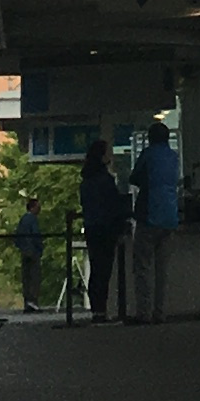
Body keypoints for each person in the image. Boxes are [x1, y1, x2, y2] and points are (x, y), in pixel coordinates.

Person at [133, 116, 183, 321]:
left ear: (150, 138)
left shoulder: (148, 154)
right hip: (170, 216)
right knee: (162, 270)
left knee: (143, 267)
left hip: (149, 215)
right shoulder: (174, 157)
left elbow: (134, 177)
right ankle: (160, 312)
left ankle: (144, 313)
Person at [79, 137, 129, 321]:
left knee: (96, 268)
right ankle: (102, 309)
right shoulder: (105, 180)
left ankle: (97, 309)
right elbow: (114, 205)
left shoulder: (87, 180)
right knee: (105, 270)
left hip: (92, 227)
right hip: (107, 228)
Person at [13, 192, 45, 312]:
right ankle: (33, 300)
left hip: (24, 251)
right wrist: (39, 247)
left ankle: (27, 300)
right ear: (33, 208)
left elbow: (17, 236)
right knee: (34, 276)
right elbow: (36, 234)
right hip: (33, 251)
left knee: (26, 276)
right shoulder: (33, 220)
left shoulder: (23, 219)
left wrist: (22, 247)